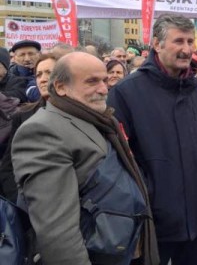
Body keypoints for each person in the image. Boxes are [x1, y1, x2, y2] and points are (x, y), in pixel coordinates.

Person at [11, 52, 158, 265]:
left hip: (120, 252)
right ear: (60, 87)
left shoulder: (97, 119)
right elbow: (58, 233)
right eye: (91, 82)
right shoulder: (43, 131)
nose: (103, 89)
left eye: (104, 80)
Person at [108, 13, 197, 265]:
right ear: (157, 43)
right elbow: (117, 156)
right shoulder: (126, 93)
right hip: (152, 221)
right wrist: (148, 194)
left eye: (190, 41)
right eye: (179, 41)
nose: (187, 49)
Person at [0, 53, 58, 201]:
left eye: (49, 73)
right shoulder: (23, 115)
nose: (43, 79)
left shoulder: (80, 115)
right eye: (38, 74)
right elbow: (9, 166)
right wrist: (20, 200)